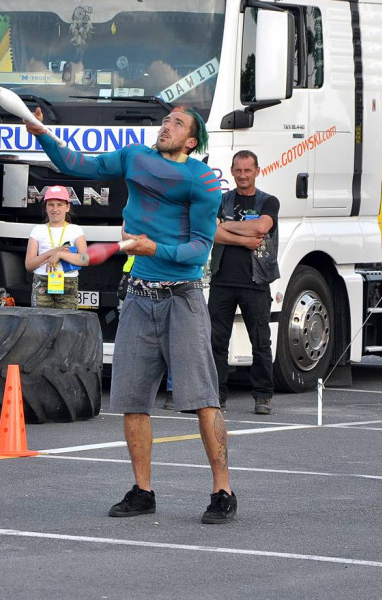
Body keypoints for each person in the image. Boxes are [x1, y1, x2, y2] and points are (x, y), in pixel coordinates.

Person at [25, 105, 236, 524]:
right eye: (166, 120)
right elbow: (74, 163)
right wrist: (40, 133)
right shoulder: (134, 157)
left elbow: (200, 246)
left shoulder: (202, 181)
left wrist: (154, 249)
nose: (166, 126)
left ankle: (222, 490)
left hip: (183, 296)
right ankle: (143, 491)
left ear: (192, 141)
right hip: (139, 297)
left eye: (177, 124)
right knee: (132, 400)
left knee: (202, 399)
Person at [208, 150, 279, 415]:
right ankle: (217, 395)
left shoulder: (268, 201)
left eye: (248, 170)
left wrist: (226, 225)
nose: (242, 175)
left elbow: (262, 228)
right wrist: (243, 239)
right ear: (232, 170)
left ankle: (263, 396)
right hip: (222, 280)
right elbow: (211, 232)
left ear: (257, 171)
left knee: (260, 341)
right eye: (238, 170)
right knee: (217, 342)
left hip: (256, 280)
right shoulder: (221, 200)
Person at [25, 185, 88, 309]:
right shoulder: (38, 230)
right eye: (51, 204)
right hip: (42, 281)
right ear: (46, 208)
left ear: (67, 207)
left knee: (67, 323)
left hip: (68, 281)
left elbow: (85, 259)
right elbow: (29, 265)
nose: (55, 209)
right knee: (41, 322)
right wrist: (51, 253)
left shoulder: (75, 230)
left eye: (60, 204)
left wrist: (60, 254)